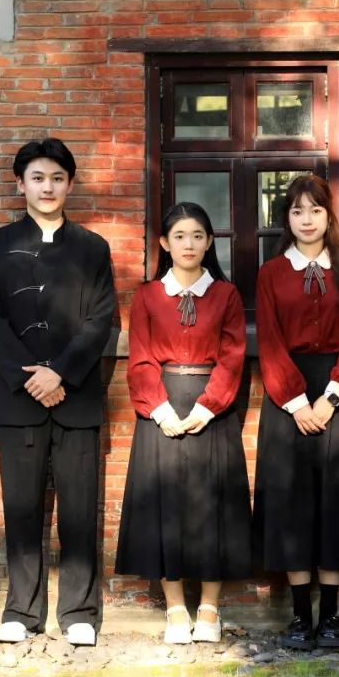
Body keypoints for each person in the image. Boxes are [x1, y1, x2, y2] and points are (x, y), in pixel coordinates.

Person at [0, 137, 116, 647]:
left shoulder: (93, 248)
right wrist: (30, 377)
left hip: (76, 396)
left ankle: (79, 612)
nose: (47, 187)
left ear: (70, 184)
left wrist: (61, 373)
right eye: (37, 178)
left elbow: (102, 320)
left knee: (80, 508)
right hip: (18, 398)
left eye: (57, 178)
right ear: (20, 185)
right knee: (21, 507)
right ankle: (21, 610)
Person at [253, 174, 339, 650]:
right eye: (296, 211)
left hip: (338, 396)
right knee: (291, 504)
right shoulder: (271, 274)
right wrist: (296, 401)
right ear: (286, 219)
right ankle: (299, 616)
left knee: (335, 503)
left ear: (329, 216)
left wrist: (330, 398)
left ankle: (330, 616)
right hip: (286, 399)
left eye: (315, 210)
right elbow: (269, 341)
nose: (306, 220)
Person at [115, 202, 252, 645]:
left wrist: (207, 407)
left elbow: (232, 356)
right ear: (164, 243)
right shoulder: (147, 296)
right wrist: (160, 410)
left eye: (197, 235)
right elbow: (140, 357)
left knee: (214, 505)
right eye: (179, 236)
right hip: (163, 406)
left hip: (212, 408)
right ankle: (175, 608)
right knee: (165, 505)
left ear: (209, 242)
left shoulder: (226, 295)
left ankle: (209, 608)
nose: (188, 244)